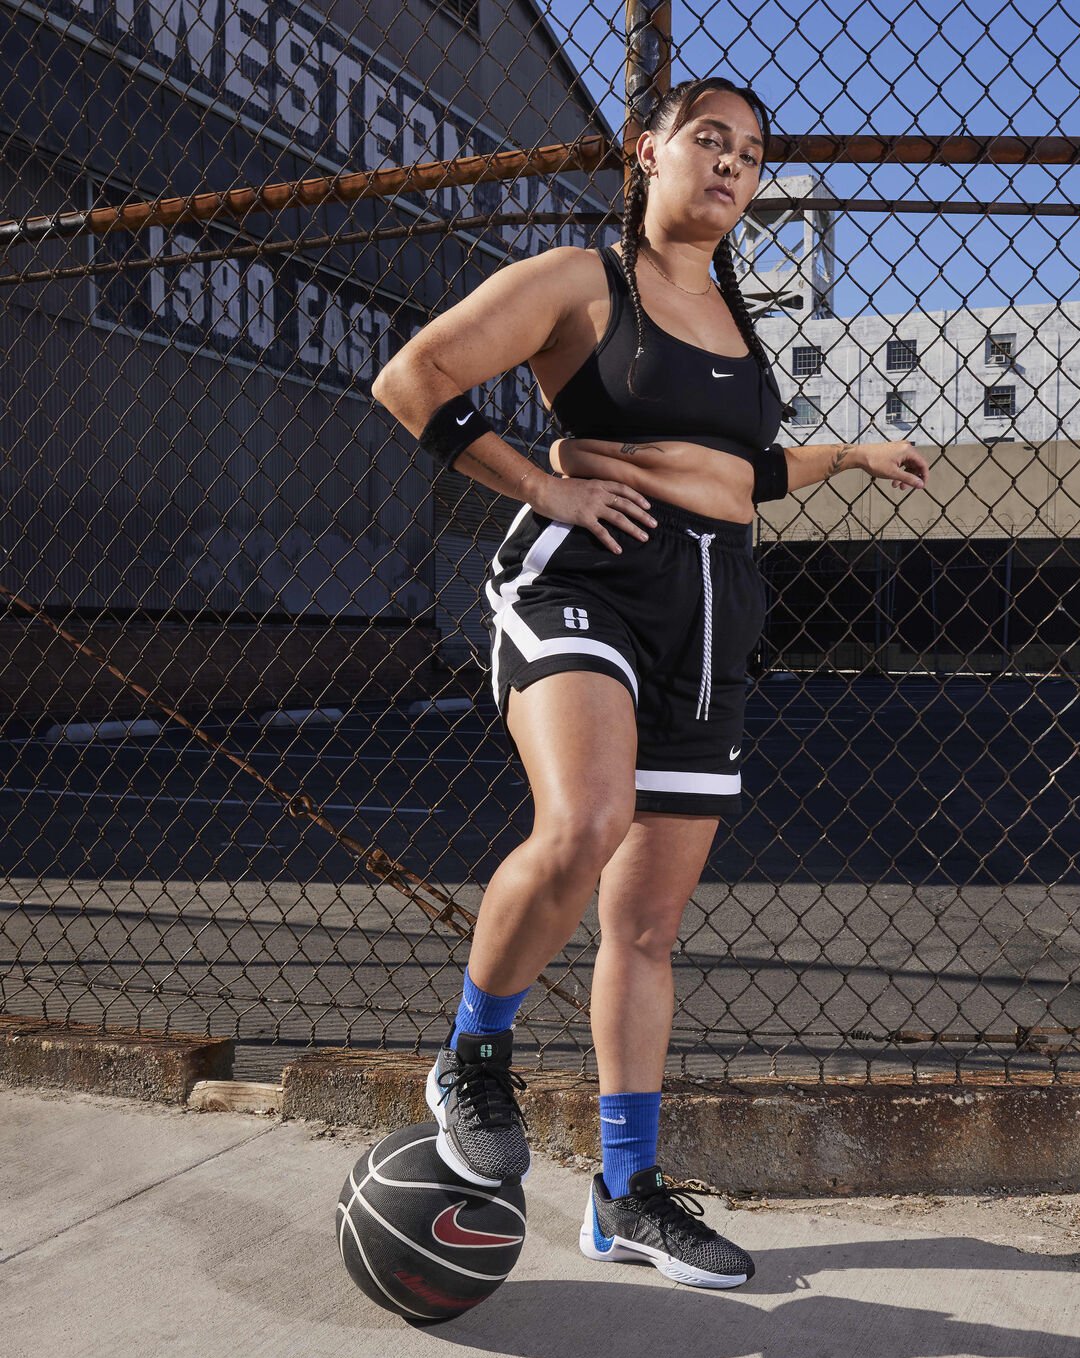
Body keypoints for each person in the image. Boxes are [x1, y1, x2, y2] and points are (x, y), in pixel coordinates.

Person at [371, 75, 930, 1290]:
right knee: (581, 819)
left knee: (645, 924)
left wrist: (850, 454)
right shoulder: (587, 280)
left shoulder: (735, 316)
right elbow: (413, 377)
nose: (730, 168)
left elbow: (738, 474)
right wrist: (548, 482)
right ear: (646, 152)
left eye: (750, 156)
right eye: (707, 142)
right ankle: (474, 1051)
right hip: (592, 573)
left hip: (716, 603)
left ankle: (625, 1192)